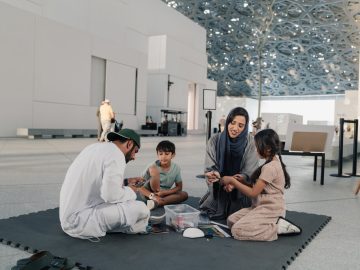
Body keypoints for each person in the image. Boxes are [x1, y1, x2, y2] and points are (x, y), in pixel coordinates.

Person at [59, 129, 149, 239]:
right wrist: (132, 190)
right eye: (135, 151)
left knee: (126, 199)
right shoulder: (117, 154)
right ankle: (130, 228)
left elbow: (98, 181)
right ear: (129, 144)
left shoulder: (94, 147)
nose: (134, 157)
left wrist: (126, 182)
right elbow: (111, 196)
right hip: (79, 222)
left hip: (69, 217)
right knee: (142, 209)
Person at [223, 129, 301, 241]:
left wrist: (232, 181)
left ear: (268, 148)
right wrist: (242, 182)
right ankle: (265, 223)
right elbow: (258, 188)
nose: (255, 150)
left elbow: (253, 193)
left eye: (257, 146)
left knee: (237, 230)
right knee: (231, 221)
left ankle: (276, 228)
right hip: (259, 207)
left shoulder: (270, 167)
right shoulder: (271, 161)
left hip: (271, 209)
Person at [199, 107, 259, 220]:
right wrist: (214, 174)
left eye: (240, 126)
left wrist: (234, 182)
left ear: (245, 127)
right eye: (233, 123)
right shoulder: (214, 140)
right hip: (219, 188)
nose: (235, 128)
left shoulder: (251, 143)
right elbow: (209, 168)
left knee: (240, 216)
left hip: (241, 192)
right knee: (210, 210)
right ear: (228, 122)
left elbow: (250, 172)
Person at [138, 140, 188, 210]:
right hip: (149, 194)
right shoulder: (152, 166)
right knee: (153, 169)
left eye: (167, 154)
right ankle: (156, 200)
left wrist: (164, 192)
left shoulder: (176, 168)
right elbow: (139, 186)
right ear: (157, 155)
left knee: (184, 194)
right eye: (161, 154)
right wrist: (153, 196)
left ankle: (158, 203)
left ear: (173, 155)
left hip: (164, 195)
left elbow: (179, 187)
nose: (163, 157)